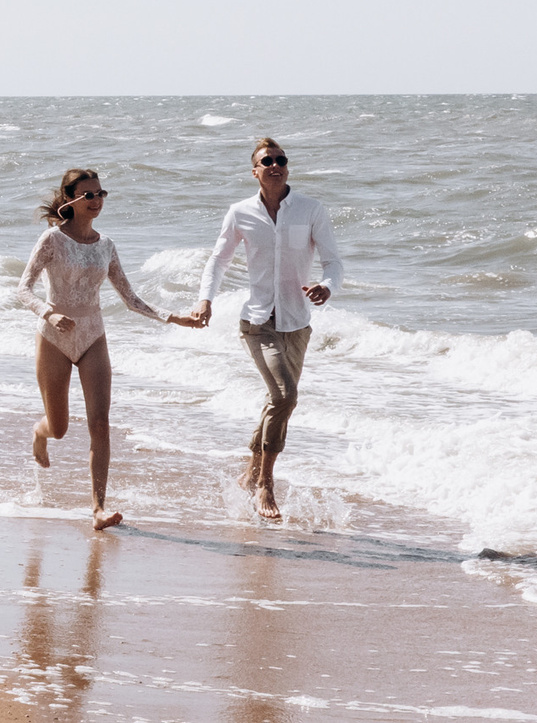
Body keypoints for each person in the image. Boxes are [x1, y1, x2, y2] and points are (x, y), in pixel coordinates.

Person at [177, 136, 346, 521]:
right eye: (266, 160)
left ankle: (250, 473)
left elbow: (334, 262)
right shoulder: (240, 213)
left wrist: (327, 286)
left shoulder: (310, 209)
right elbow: (218, 261)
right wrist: (206, 299)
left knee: (278, 402)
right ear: (255, 171)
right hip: (257, 321)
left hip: (298, 322)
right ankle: (266, 484)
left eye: (281, 159)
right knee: (285, 396)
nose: (275, 165)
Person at [18, 167, 191, 530]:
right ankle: (40, 432)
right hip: (53, 338)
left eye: (100, 194)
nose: (96, 200)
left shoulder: (106, 245)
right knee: (60, 427)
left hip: (93, 336)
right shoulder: (52, 239)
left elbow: (130, 298)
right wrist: (48, 315)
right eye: (88, 194)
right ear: (70, 199)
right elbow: (23, 289)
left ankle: (98, 508)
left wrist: (173, 317)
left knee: (100, 423)